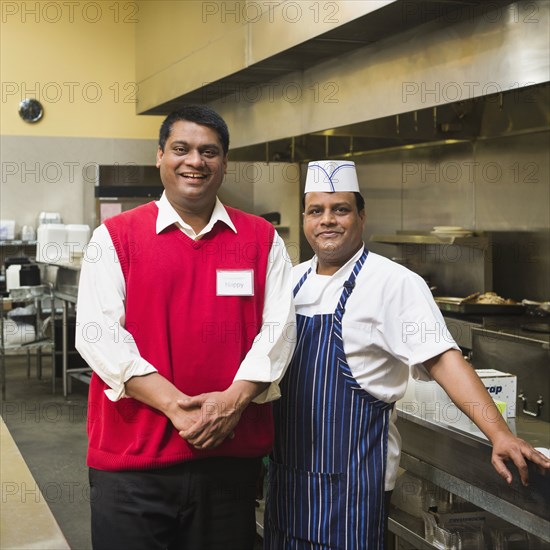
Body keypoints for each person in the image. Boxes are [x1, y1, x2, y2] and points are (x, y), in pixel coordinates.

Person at [263, 160, 550, 550]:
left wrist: (499, 433)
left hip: (353, 490)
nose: (327, 220)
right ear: (305, 218)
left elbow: (444, 359)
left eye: (341, 209)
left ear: (361, 216)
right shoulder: (290, 282)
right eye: (317, 211)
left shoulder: (394, 284)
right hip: (287, 482)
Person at [75, 105, 295, 550]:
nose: (195, 161)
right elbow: (98, 334)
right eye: (182, 149)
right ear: (160, 156)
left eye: (209, 151)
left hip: (229, 462)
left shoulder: (261, 239)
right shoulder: (115, 237)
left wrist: (232, 404)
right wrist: (180, 408)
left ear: (224, 163)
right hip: (133, 463)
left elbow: (280, 328)